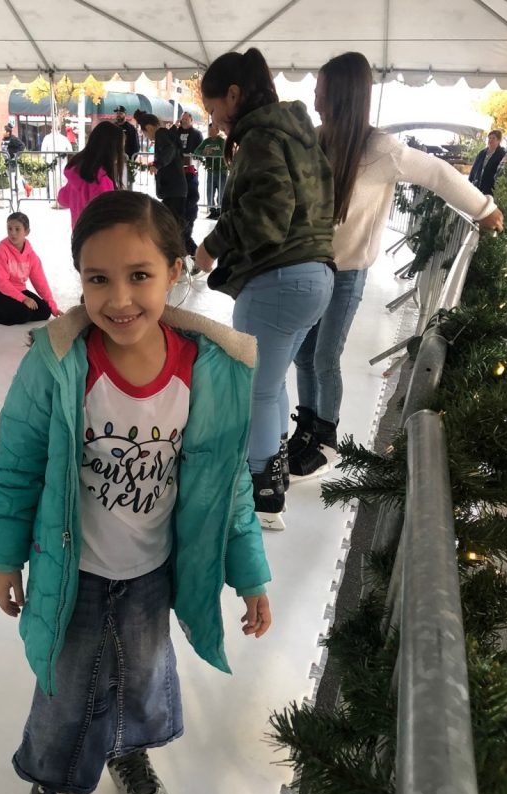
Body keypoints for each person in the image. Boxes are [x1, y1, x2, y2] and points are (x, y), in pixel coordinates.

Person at [0, 190, 271, 794]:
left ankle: (124, 748)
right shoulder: (58, 365)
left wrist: (250, 574)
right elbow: (15, 463)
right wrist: (5, 555)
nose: (118, 298)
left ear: (176, 270)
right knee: (70, 689)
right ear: (79, 280)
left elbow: (227, 483)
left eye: (140, 275)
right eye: (98, 278)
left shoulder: (207, 369)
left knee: (142, 674)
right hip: (72, 568)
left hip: (151, 570)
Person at [289, 51, 505, 482]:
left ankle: (326, 442)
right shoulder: (314, 141)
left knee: (326, 356)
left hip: (347, 275)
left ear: (342, 96)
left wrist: (483, 208)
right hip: (309, 270)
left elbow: (439, 174)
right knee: (303, 354)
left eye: (322, 94)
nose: (315, 102)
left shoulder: (381, 149)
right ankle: (307, 427)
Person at [193, 48, 335, 529]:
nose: (214, 120)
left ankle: (261, 495)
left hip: (279, 280)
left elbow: (267, 214)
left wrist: (211, 247)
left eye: (214, 108)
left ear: (233, 95)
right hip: (317, 277)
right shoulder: (297, 136)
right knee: (271, 386)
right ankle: (273, 477)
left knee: (254, 391)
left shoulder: (259, 138)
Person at [0, 211, 61, 325]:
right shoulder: (0, 250)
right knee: (23, 314)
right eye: (9, 229)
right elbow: (1, 282)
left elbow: (41, 283)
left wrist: (53, 307)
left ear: (27, 232)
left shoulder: (31, 255)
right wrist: (23, 299)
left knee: (45, 311)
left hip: (18, 289)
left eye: (17, 229)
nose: (12, 233)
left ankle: (12, 312)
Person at [133, 110, 189, 256]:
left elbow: (169, 150)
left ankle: (189, 255)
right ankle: (183, 255)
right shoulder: (167, 134)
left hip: (173, 188)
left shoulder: (161, 134)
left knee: (174, 225)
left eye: (145, 133)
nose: (147, 137)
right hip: (174, 188)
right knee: (174, 224)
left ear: (149, 128)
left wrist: (157, 165)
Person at [57, 120, 124, 228]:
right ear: (112, 150)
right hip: (97, 236)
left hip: (79, 234)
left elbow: (62, 199)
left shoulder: (77, 173)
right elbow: (108, 217)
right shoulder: (102, 180)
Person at [173, 112, 203, 254]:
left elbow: (200, 152)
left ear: (191, 120)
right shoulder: (175, 132)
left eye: (186, 119)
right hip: (176, 173)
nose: (183, 121)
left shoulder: (196, 134)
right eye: (182, 119)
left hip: (190, 173)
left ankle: (193, 252)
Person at [194, 121, 226, 218]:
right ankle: (212, 210)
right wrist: (204, 152)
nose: (210, 132)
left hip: (221, 171)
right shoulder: (206, 141)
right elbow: (196, 151)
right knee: (210, 191)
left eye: (212, 130)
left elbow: (224, 153)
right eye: (209, 130)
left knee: (221, 191)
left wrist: (212, 153)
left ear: (217, 130)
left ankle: (220, 210)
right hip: (211, 170)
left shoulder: (222, 141)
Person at [468, 129, 505, 196]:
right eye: (489, 138)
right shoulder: (482, 152)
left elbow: (501, 172)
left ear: (499, 140)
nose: (490, 140)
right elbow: (474, 168)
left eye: (493, 138)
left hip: (490, 188)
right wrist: (470, 181)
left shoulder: (502, 154)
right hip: (477, 184)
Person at [1, 123, 27, 194]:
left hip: (12, 160)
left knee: (16, 175)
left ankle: (20, 189)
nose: (2, 132)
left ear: (8, 132)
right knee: (9, 175)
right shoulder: (3, 139)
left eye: (3, 130)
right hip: (6, 161)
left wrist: (16, 155)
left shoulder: (13, 139)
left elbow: (22, 146)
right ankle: (16, 188)